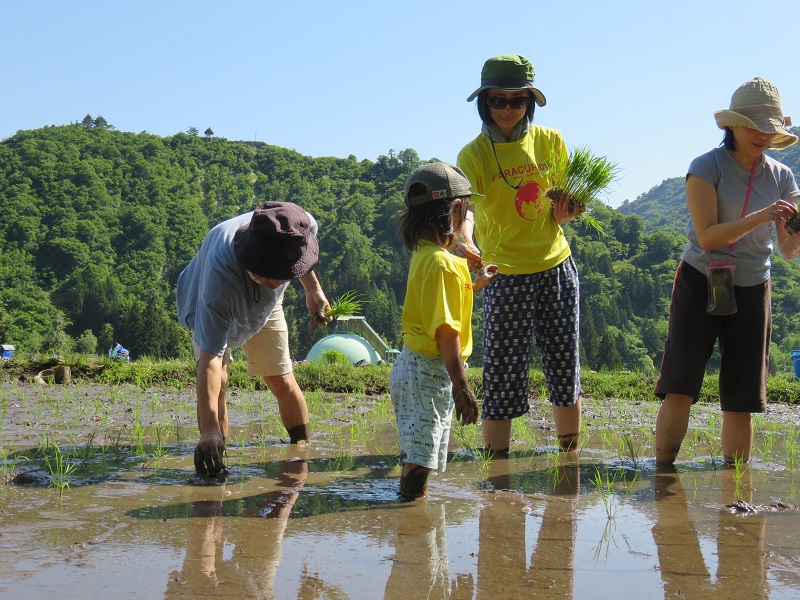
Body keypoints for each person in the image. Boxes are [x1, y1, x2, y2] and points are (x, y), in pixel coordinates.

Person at [654, 77, 800, 465]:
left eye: (769, 129)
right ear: (731, 125)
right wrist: (764, 216)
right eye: (754, 126)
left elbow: (787, 249)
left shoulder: (783, 177)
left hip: (753, 286)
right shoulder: (706, 166)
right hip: (701, 278)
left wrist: (797, 229)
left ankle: (736, 485)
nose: (762, 135)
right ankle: (663, 473)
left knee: (742, 396)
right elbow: (707, 237)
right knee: (680, 384)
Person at [455, 54, 582, 457]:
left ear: (530, 102)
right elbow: (467, 210)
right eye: (498, 100)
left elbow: (568, 200)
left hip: (555, 266)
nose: (507, 109)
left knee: (564, 366)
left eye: (517, 100)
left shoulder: (551, 141)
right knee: (503, 372)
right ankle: (495, 468)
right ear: (484, 102)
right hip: (504, 274)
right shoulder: (472, 155)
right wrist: (466, 239)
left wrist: (570, 210)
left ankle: (570, 459)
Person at [176, 201, 332, 476]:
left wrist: (313, 289)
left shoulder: (300, 225)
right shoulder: (219, 282)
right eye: (272, 274)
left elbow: (299, 256)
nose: (280, 280)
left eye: (286, 273)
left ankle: (302, 451)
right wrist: (209, 429)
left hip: (267, 306)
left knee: (281, 377)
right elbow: (210, 359)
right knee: (219, 382)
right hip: (220, 300)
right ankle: (215, 461)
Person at [390, 161, 480, 499]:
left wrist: (477, 281)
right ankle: (411, 523)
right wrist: (463, 388)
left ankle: (415, 520)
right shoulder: (442, 264)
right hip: (427, 373)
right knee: (420, 462)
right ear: (456, 210)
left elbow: (441, 307)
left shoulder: (427, 255)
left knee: (420, 454)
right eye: (467, 209)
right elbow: (445, 332)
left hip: (417, 369)